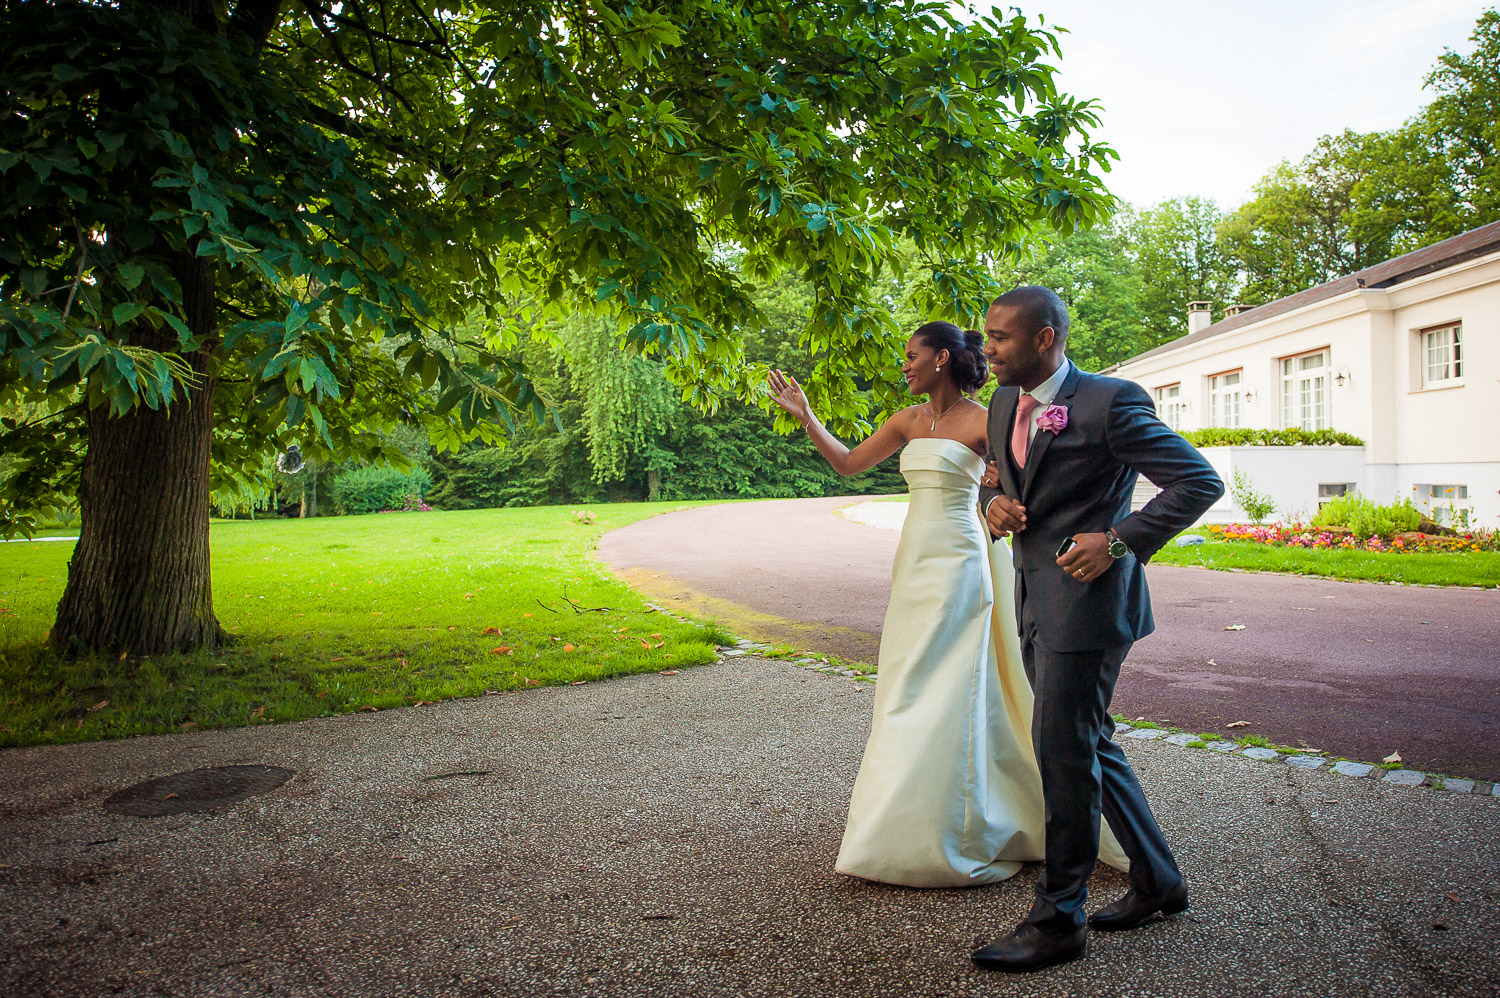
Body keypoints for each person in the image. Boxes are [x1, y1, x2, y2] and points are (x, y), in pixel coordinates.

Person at [765, 320, 1128, 887]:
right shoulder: (907, 421)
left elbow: (1024, 486)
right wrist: (806, 416)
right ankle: (904, 822)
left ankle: (963, 824)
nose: (903, 366)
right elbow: (847, 464)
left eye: (911, 356)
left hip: (962, 560)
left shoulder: (989, 421)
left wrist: (994, 487)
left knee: (952, 683)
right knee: (906, 680)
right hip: (914, 561)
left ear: (940, 359)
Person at [970, 286, 1224, 973]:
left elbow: (1198, 482)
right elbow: (993, 480)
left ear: (1045, 338)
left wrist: (1117, 540)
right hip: (1032, 595)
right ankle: (1158, 879)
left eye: (999, 337)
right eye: (986, 336)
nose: (986, 348)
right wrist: (994, 503)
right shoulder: (1001, 402)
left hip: (1089, 607)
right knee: (1085, 741)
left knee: (1062, 752)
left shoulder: (1110, 402)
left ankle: (1059, 921)